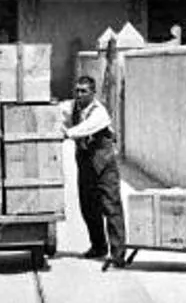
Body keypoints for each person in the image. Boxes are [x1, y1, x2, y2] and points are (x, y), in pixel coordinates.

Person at [59, 75, 126, 267]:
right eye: (77, 90)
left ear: (93, 93)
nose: (79, 94)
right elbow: (56, 113)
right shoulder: (72, 107)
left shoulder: (99, 111)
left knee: (111, 206)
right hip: (85, 163)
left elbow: (88, 127)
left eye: (84, 91)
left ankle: (118, 253)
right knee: (88, 206)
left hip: (104, 165)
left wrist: (67, 133)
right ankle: (98, 246)